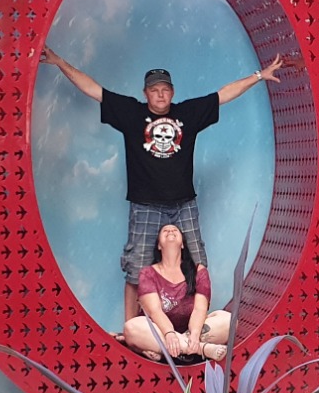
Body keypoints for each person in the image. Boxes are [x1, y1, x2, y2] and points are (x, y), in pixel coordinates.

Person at [40, 46, 290, 320]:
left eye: (165, 90)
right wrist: (60, 62)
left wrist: (259, 75)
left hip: (184, 205)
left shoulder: (188, 113)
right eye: (154, 90)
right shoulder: (131, 113)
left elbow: (224, 94)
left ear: (172, 92)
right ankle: (131, 328)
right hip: (145, 205)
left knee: (199, 264)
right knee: (136, 269)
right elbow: (93, 89)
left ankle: (198, 326)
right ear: (145, 93)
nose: (160, 94)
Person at [123, 222, 230, 362]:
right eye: (165, 231)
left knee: (229, 320)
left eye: (175, 230)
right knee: (131, 327)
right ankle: (200, 349)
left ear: (183, 244)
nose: (170, 231)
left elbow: (200, 309)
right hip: (160, 330)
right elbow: (155, 311)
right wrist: (169, 333)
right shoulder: (147, 273)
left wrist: (194, 334)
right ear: (159, 245)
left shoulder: (199, 271)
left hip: (191, 331)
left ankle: (174, 349)